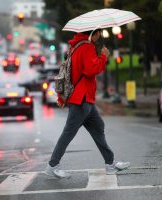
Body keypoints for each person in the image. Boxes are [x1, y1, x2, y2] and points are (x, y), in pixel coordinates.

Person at [45, 29, 130, 178]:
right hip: (81, 99)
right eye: (99, 33)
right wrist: (103, 57)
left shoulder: (76, 46)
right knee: (68, 133)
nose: (99, 36)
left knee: (98, 127)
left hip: (84, 99)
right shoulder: (87, 46)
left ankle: (110, 163)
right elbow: (91, 70)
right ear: (94, 33)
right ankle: (52, 165)